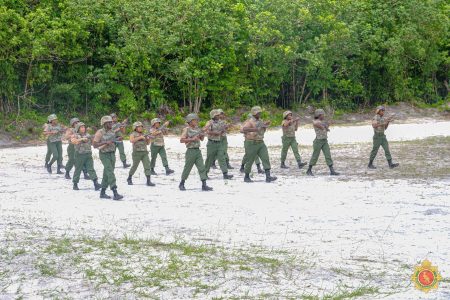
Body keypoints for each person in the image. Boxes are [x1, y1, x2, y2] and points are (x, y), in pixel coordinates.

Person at [242, 106, 277, 183]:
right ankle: (246, 177)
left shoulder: (260, 120)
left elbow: (261, 128)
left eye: (260, 112)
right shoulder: (250, 121)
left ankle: (268, 176)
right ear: (254, 113)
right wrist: (254, 129)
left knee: (265, 158)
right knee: (250, 160)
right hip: (252, 143)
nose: (259, 113)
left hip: (260, 142)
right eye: (258, 112)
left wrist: (265, 125)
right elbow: (244, 129)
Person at [179, 113, 213, 191]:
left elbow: (202, 139)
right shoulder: (186, 129)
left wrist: (202, 134)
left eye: (197, 120)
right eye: (195, 120)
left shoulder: (198, 129)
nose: (196, 121)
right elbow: (181, 140)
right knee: (187, 168)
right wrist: (191, 139)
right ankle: (182, 183)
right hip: (190, 151)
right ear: (190, 121)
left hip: (198, 151)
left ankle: (204, 185)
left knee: (202, 167)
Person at [93, 115, 123, 200]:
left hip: (112, 153)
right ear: (104, 123)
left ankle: (102, 192)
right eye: (109, 122)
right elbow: (94, 145)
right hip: (104, 154)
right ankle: (115, 192)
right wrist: (105, 142)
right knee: (110, 172)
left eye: (111, 122)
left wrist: (118, 138)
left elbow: (115, 140)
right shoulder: (100, 132)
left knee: (107, 173)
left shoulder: (112, 131)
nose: (111, 124)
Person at [306, 109, 339, 176]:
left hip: (324, 141)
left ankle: (332, 171)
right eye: (322, 115)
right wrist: (325, 125)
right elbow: (318, 125)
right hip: (318, 141)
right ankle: (309, 170)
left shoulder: (321, 121)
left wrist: (328, 124)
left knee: (328, 155)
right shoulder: (316, 122)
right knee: (315, 156)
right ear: (318, 115)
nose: (323, 116)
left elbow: (326, 128)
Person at [70, 122, 102, 191]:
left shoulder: (88, 135)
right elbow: (73, 141)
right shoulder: (75, 135)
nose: (83, 128)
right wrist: (81, 139)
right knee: (78, 169)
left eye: (84, 127)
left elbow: (93, 142)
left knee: (91, 169)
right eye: (81, 127)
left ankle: (96, 183)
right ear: (78, 128)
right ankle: (75, 184)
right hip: (79, 155)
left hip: (88, 154)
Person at [204, 109, 233, 180]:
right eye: (216, 115)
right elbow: (206, 131)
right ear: (213, 116)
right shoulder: (209, 122)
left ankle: (225, 174)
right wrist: (215, 133)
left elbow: (226, 127)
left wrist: (228, 126)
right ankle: (204, 174)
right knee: (209, 160)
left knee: (222, 158)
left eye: (218, 115)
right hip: (211, 143)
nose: (218, 116)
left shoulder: (221, 122)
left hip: (219, 142)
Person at [126, 121, 155, 186]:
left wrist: (149, 138)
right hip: (137, 153)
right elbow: (131, 140)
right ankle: (129, 178)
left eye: (141, 126)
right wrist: (140, 137)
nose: (141, 128)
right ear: (135, 128)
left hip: (144, 152)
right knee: (134, 166)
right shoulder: (133, 134)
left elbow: (147, 143)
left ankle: (148, 181)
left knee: (147, 166)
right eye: (139, 127)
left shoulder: (144, 134)